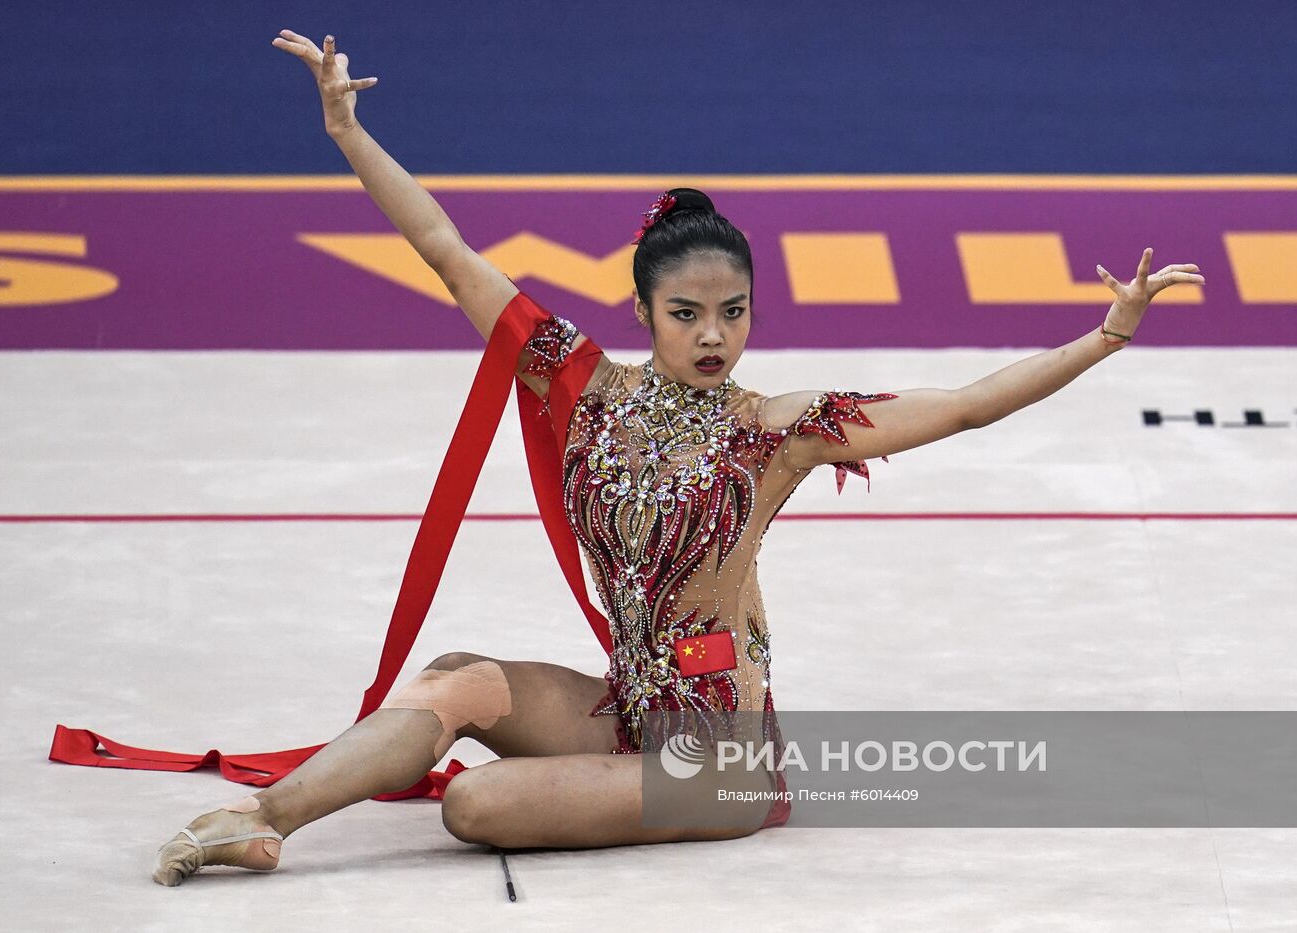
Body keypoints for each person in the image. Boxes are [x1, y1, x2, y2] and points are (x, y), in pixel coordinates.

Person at [150, 29, 1205, 885]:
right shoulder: (585, 390)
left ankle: (297, 816)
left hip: (716, 766)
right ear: (645, 312)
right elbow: (446, 252)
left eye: (733, 313)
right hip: (627, 711)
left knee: (472, 803)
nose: (713, 336)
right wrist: (346, 131)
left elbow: (966, 405)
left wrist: (1103, 335)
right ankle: (261, 819)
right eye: (688, 313)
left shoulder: (775, 430)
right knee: (456, 679)